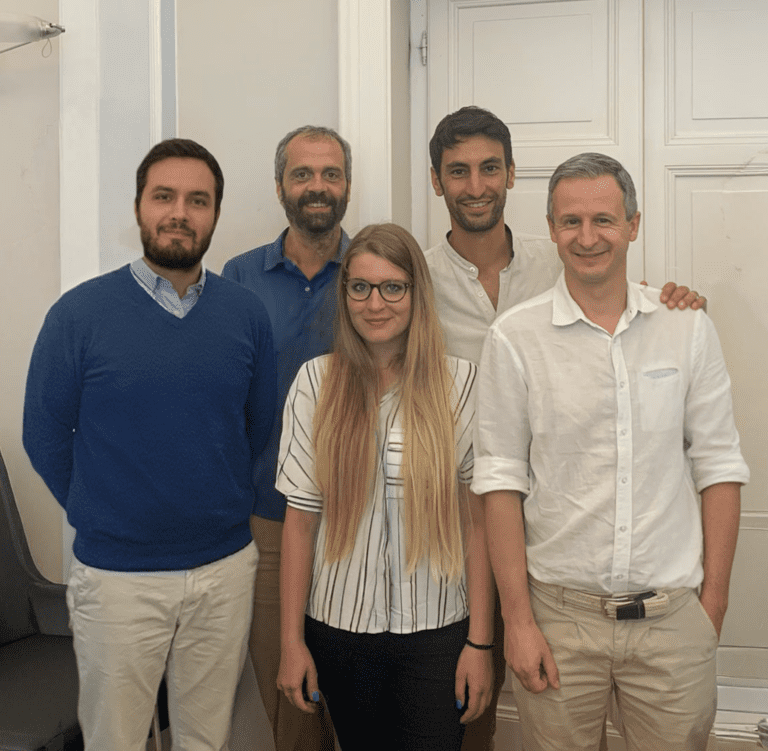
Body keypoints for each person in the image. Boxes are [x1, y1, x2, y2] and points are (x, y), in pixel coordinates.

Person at [424, 106, 705, 751]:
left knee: (566, 702)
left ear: (511, 174)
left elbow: (630, 322)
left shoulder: (563, 261)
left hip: (562, 539)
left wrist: (680, 307)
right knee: (466, 707)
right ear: (437, 181)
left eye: (490, 168)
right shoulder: (416, 279)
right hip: (455, 526)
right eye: (458, 171)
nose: (475, 185)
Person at [473, 152, 750, 751]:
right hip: (558, 621)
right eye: (571, 221)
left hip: (672, 623)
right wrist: (517, 621)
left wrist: (712, 607)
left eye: (604, 219)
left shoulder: (686, 327)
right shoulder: (515, 339)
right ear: (551, 229)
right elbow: (500, 484)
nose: (588, 237)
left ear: (633, 225)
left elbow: (720, 467)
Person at [23, 139, 277, 751]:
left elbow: (259, 428)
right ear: (139, 206)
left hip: (223, 569)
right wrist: (103, 510)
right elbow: (44, 434)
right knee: (116, 740)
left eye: (198, 200)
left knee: (205, 740)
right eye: (164, 197)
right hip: (117, 579)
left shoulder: (246, 315)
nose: (179, 213)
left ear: (215, 213)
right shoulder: (78, 315)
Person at [275, 224, 495, 751]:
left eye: (393, 287)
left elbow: (478, 524)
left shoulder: (461, 383)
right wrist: (290, 642)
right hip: (339, 630)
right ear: (345, 293)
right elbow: (300, 524)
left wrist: (481, 643)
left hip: (439, 631)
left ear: (417, 293)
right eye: (361, 287)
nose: (375, 304)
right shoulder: (314, 383)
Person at [221, 125, 350, 751]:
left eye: (330, 174)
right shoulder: (238, 279)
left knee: (362, 692)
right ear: (280, 187)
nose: (317, 186)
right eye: (303, 174)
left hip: (365, 523)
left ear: (347, 185)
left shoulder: (374, 271)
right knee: (290, 692)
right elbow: (219, 398)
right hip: (269, 523)